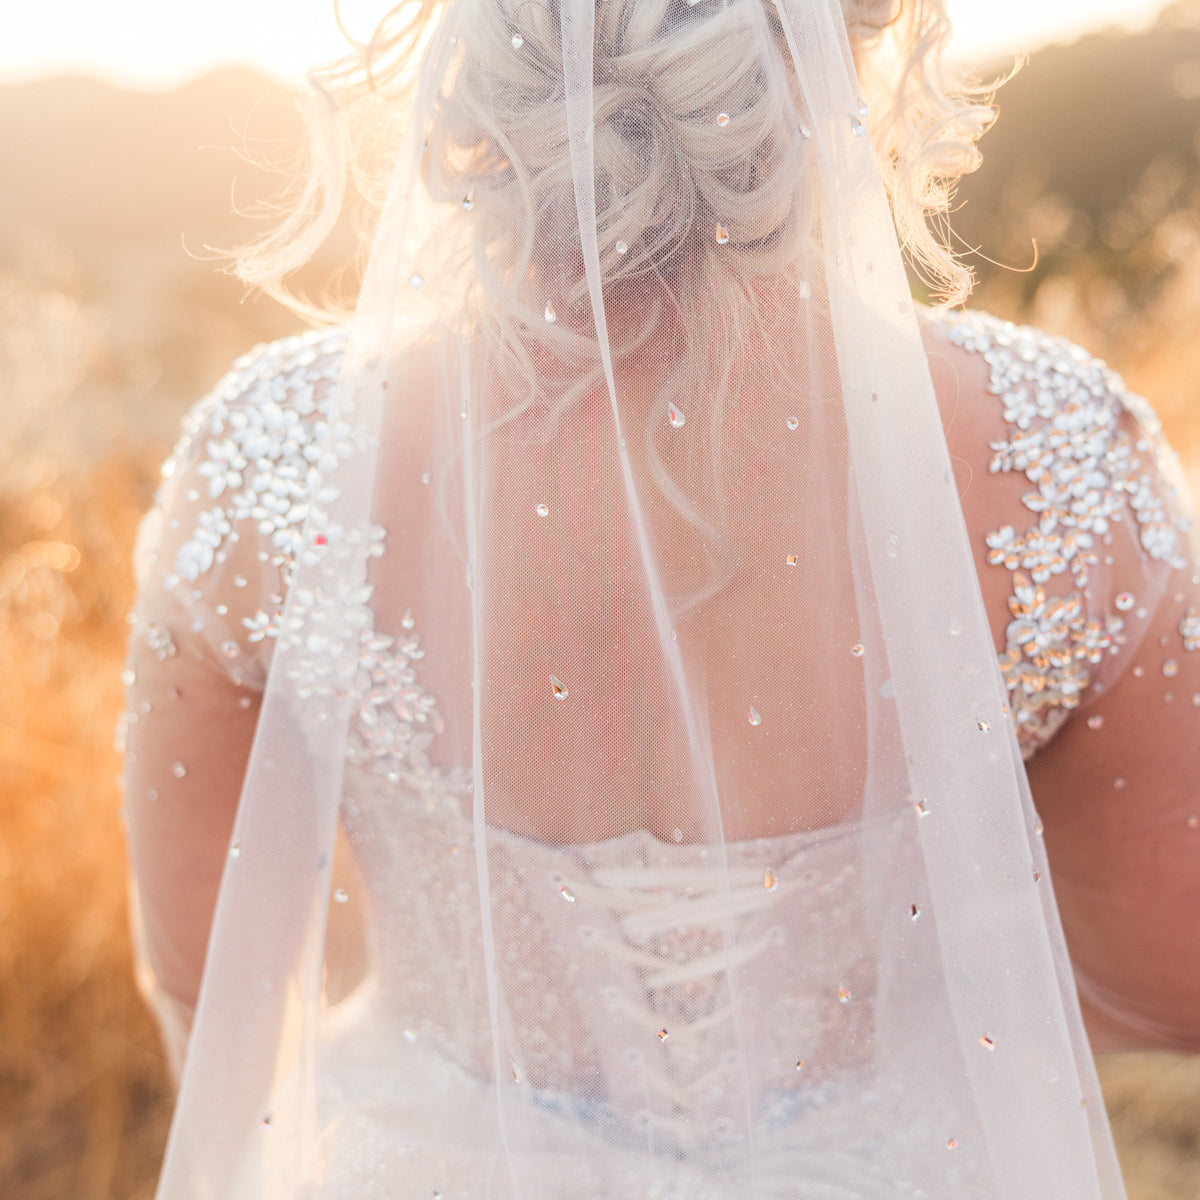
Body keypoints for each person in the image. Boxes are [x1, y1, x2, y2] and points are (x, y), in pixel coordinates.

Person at [122, 0, 1199, 1196]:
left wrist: (466, 1016)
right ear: (861, 45)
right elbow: (1173, 970)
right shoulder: (1055, 452)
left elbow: (207, 983)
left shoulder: (273, 450)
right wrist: (898, 1012)